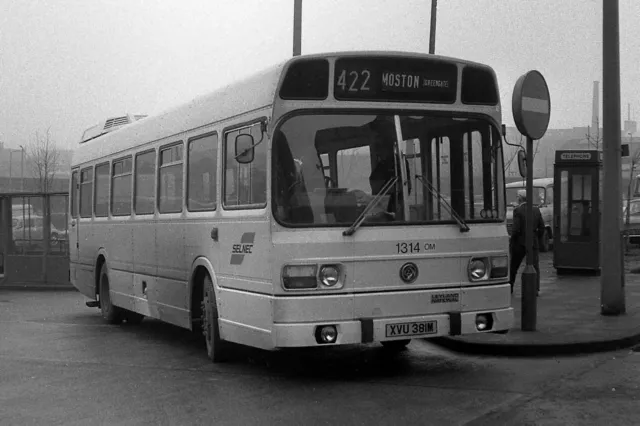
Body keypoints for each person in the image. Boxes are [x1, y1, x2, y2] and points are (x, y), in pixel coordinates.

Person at [509, 189, 545, 295]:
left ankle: (510, 287)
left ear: (520, 198)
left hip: (519, 243)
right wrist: (535, 237)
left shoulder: (517, 210)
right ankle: (535, 289)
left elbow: (515, 229)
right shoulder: (536, 210)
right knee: (534, 266)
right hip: (532, 242)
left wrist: (512, 240)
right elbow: (542, 228)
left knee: (514, 266)